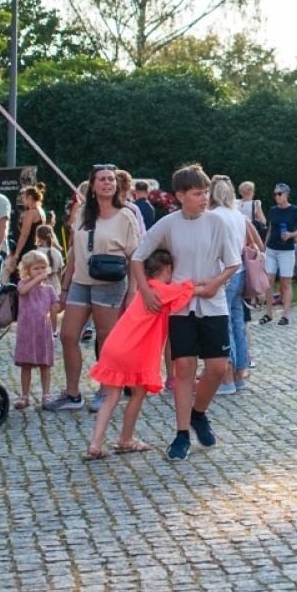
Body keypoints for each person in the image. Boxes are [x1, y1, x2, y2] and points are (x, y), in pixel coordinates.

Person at [129, 164, 241, 463]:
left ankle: (198, 413)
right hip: (179, 306)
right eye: (197, 193)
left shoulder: (217, 223)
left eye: (206, 192)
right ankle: (181, 434)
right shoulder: (167, 224)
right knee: (183, 370)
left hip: (213, 304)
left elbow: (233, 263)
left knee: (218, 368)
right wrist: (147, 290)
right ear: (180, 196)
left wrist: (215, 283)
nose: (204, 198)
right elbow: (138, 258)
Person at [85, 249, 203, 459]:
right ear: (167, 269)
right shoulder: (161, 290)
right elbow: (186, 292)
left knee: (111, 395)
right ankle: (126, 438)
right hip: (135, 351)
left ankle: (95, 442)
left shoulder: (144, 289)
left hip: (115, 345)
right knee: (138, 395)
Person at [47, 164, 141, 412]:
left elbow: (136, 256)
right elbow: (74, 253)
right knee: (68, 335)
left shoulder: (126, 216)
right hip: (80, 280)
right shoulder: (82, 214)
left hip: (109, 282)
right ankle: (72, 393)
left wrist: (133, 291)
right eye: (102, 179)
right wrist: (65, 287)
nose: (108, 183)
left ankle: (106, 390)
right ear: (93, 185)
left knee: (105, 337)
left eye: (111, 179)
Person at [208, 175, 254, 394]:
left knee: (223, 323)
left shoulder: (213, 216)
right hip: (240, 271)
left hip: (223, 272)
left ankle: (228, 372)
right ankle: (240, 372)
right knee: (238, 323)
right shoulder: (238, 214)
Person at [12, 250, 57, 409]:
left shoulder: (49, 289)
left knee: (45, 365)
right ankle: (24, 395)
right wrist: (36, 279)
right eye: (36, 268)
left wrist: (54, 328)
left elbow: (54, 309)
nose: (40, 271)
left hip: (43, 331)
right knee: (26, 364)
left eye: (43, 268)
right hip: (26, 331)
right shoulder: (23, 284)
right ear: (27, 270)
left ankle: (46, 394)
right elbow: (22, 292)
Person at [262, 183, 297, 324]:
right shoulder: (273, 210)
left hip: (286, 250)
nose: (277, 196)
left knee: (285, 283)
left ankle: (285, 315)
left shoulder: (295, 210)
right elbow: (270, 228)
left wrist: (291, 234)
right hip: (271, 249)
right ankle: (268, 313)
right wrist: (264, 247)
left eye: (279, 194)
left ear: (286, 194)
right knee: (267, 282)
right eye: (275, 194)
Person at [1, 186, 46, 279]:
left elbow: (24, 235)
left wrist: (16, 255)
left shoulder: (30, 213)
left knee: (21, 277)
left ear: (29, 198)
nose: (22, 199)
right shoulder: (41, 212)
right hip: (36, 247)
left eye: (24, 197)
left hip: (26, 248)